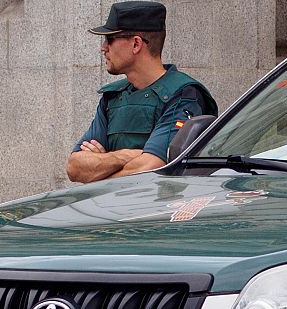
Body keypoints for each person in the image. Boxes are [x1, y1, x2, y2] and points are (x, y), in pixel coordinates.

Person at [67, 0, 218, 183]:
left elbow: (151, 168)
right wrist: (126, 155)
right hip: (112, 201)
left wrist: (99, 171)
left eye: (110, 39)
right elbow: (74, 167)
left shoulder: (182, 94)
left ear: (136, 44)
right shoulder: (113, 96)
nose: (103, 47)